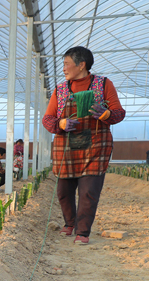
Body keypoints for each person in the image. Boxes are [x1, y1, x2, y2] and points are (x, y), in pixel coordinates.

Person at [42, 46, 125, 245]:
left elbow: (118, 112)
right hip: (67, 144)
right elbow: (48, 119)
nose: (63, 68)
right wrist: (60, 124)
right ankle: (70, 223)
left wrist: (105, 114)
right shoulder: (60, 90)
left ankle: (83, 231)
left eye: (66, 64)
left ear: (81, 65)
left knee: (88, 191)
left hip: (95, 145)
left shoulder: (103, 84)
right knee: (63, 190)